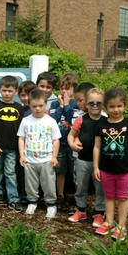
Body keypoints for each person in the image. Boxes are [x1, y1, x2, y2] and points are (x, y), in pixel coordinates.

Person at [93, 87, 128, 241]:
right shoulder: (101, 126)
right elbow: (97, 147)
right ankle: (108, 222)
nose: (116, 110)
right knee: (109, 197)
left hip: (125, 171)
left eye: (119, 106)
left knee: (123, 198)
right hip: (106, 170)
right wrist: (95, 167)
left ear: (125, 106)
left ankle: (121, 226)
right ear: (106, 107)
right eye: (112, 106)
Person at [18, 89, 61, 218]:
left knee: (48, 183)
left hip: (47, 160)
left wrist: (54, 157)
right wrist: (22, 155)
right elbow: (21, 138)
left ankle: (51, 204)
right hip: (30, 159)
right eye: (34, 106)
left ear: (46, 104)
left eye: (40, 106)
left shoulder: (50, 121)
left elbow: (55, 140)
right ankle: (32, 202)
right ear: (29, 105)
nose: (37, 109)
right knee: (30, 183)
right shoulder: (26, 121)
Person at [67, 88, 105, 227]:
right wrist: (72, 144)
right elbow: (71, 134)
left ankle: (99, 213)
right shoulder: (81, 120)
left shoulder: (106, 121)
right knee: (81, 186)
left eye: (98, 103)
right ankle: (81, 210)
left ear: (104, 104)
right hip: (82, 159)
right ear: (86, 104)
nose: (95, 106)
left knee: (100, 188)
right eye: (91, 103)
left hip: (101, 163)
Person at [0, 75, 23, 212]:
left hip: (12, 148)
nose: (7, 93)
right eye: (4, 90)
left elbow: (22, 130)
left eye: (10, 90)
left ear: (16, 92)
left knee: (10, 172)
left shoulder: (19, 108)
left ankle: (13, 198)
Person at [49, 72, 78, 205]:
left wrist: (66, 105)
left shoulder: (77, 104)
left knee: (76, 172)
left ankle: (78, 197)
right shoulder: (55, 104)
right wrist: (61, 106)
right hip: (59, 144)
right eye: (61, 87)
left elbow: (70, 119)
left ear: (73, 89)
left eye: (67, 88)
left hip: (73, 145)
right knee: (60, 171)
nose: (63, 91)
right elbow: (53, 121)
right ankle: (60, 195)